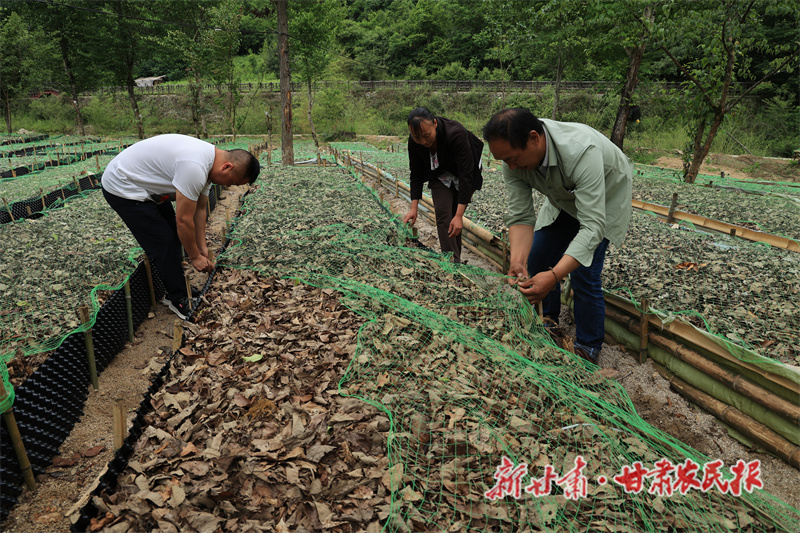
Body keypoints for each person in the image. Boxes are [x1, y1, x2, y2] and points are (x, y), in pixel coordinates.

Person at [482, 108, 632, 363]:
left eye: (513, 159)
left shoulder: (581, 150)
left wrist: (553, 277)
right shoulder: (513, 159)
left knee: (585, 272)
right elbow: (520, 215)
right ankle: (548, 321)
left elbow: (592, 226)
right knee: (538, 254)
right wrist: (518, 261)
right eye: (504, 160)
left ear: (534, 138)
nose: (510, 166)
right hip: (563, 197)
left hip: (604, 199)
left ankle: (588, 346)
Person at [102, 134, 260, 319]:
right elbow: (183, 220)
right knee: (164, 242)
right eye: (232, 182)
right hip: (123, 185)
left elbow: (200, 209)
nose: (228, 185)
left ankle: (179, 286)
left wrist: (202, 248)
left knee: (173, 236)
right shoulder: (195, 167)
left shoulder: (209, 163)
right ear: (227, 167)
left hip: (146, 184)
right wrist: (194, 257)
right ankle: (176, 297)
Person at [403, 108, 484, 263]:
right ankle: (452, 263)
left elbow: (467, 176)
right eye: (417, 138)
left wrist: (459, 216)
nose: (423, 141)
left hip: (465, 172)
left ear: (435, 124)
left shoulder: (455, 133)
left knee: (455, 218)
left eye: (426, 136)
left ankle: (456, 261)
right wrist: (414, 208)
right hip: (439, 173)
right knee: (443, 215)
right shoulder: (415, 141)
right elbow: (416, 173)